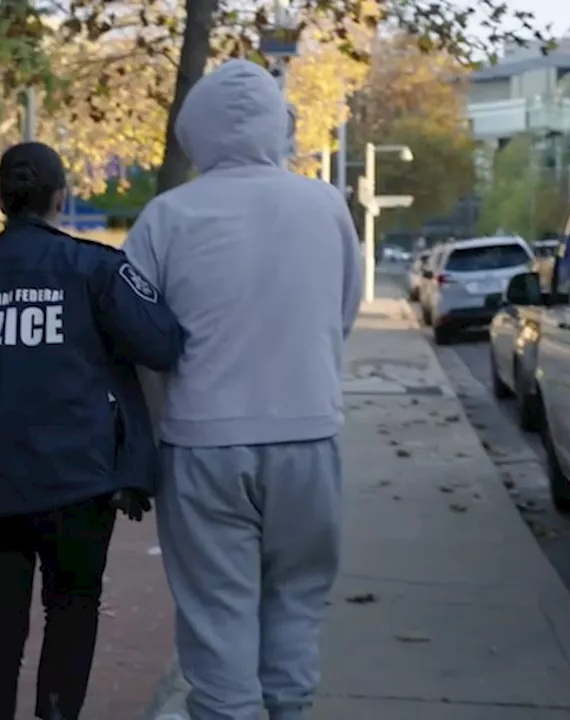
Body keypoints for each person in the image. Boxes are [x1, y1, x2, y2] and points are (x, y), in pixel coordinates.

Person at [0, 142, 186, 720]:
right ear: (62, 197)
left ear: (1, 201)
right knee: (72, 611)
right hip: (75, 482)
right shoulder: (96, 269)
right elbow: (162, 343)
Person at [123, 59, 364, 720]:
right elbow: (342, 313)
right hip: (308, 434)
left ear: (192, 132)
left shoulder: (164, 218)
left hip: (202, 443)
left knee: (217, 613)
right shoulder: (326, 206)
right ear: (278, 126)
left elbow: (137, 339)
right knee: (295, 599)